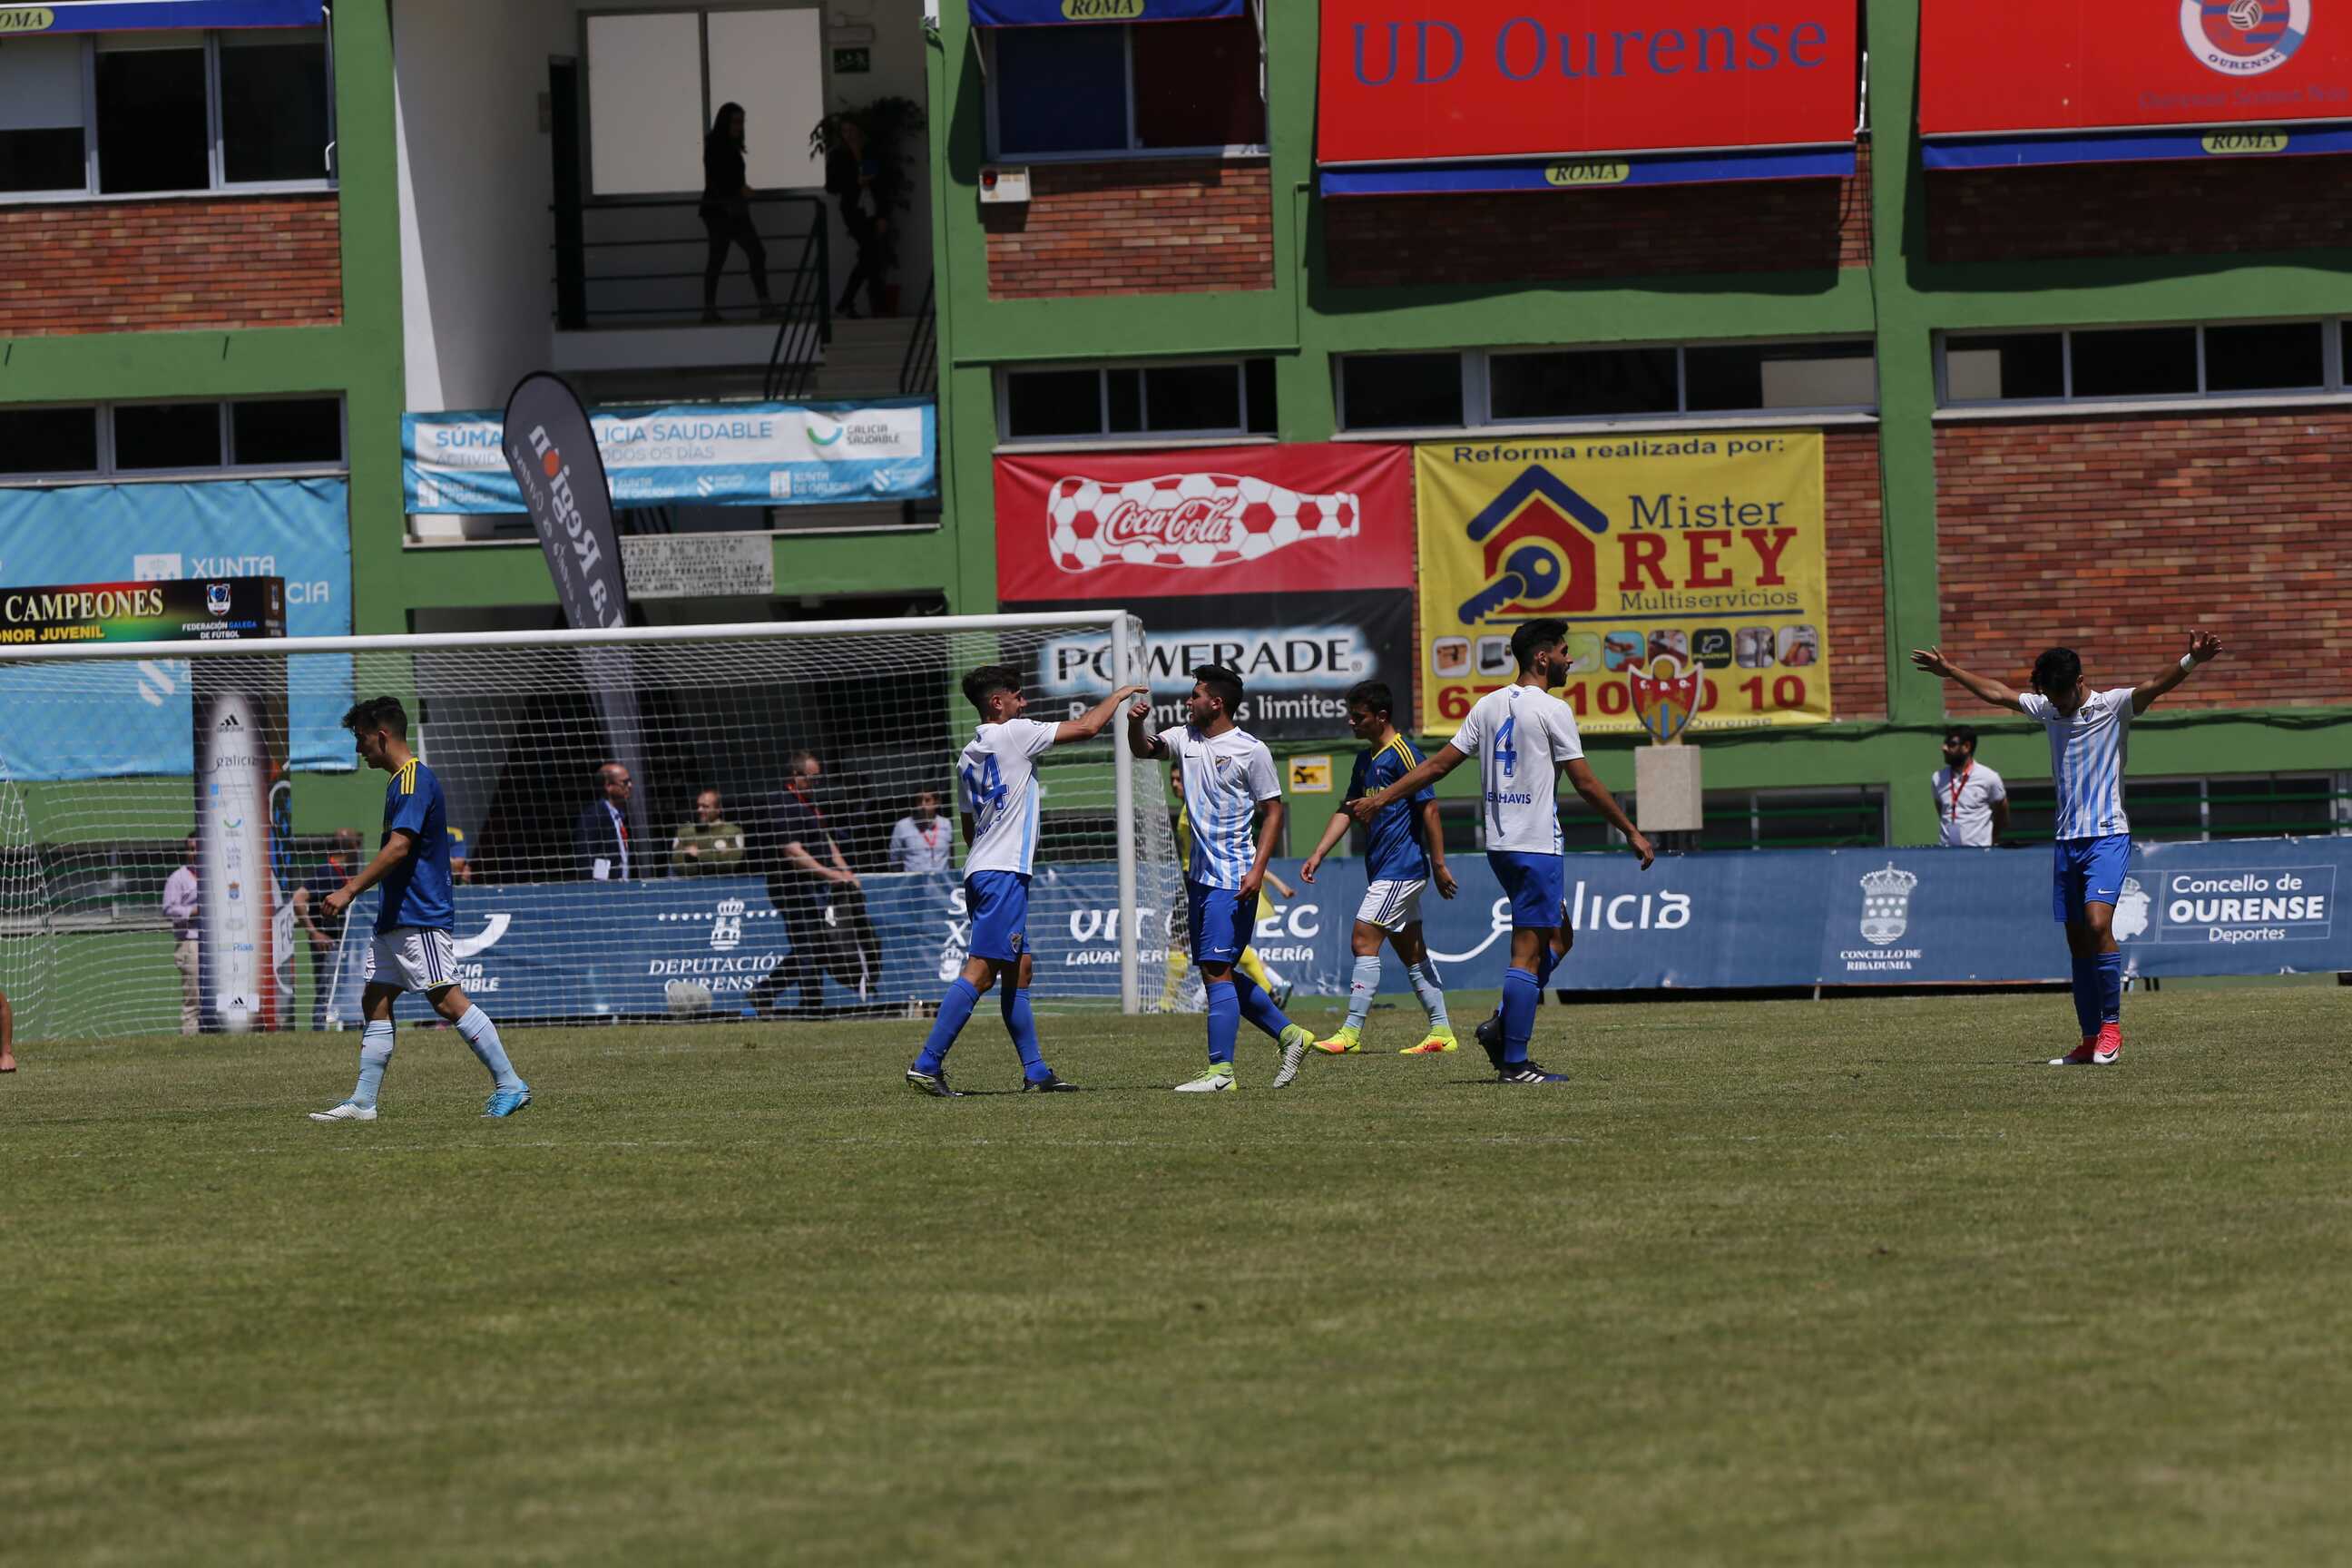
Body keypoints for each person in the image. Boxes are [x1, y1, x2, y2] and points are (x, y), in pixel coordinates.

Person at [1351, 620, 1654, 1084]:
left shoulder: (1488, 705)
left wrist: (1383, 798)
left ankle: (1503, 1023)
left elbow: (1439, 765)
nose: (1570, 659)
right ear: (1542, 658)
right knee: (1527, 953)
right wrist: (1630, 830)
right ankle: (1514, 1061)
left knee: (1560, 938)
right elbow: (1586, 782)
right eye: (1564, 652)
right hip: (1536, 846)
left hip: (1501, 847)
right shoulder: (1553, 709)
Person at [1912, 631, 2223, 1066]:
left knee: (2098, 925)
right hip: (2066, 842)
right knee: (2077, 943)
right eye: (2049, 697)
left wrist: (2191, 661)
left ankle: (2111, 1027)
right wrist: (1950, 671)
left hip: (2107, 837)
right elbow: (1999, 694)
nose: (2054, 704)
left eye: (2059, 696)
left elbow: (2155, 685)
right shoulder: (2048, 708)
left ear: (2080, 681)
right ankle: (2089, 1037)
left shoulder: (2112, 706)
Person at [906, 668, 1146, 1096]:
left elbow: (969, 828)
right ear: (998, 702)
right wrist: (1119, 695)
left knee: (1021, 969)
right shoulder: (1015, 733)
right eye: (1018, 697)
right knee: (981, 972)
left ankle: (1036, 1072)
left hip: (983, 869)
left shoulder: (967, 755)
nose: (1025, 703)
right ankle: (926, 1064)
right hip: (1002, 874)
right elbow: (1088, 727)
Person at [309, 697, 531, 1122]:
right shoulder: (399, 781)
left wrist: (349, 889)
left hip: (419, 914)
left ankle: (511, 1084)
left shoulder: (413, 780)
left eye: (360, 739)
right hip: (396, 914)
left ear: (382, 736)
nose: (358, 749)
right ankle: (363, 1102)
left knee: (447, 1001)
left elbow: (400, 847)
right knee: (375, 998)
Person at [1127, 664, 1316, 1093]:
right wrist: (1135, 726)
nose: (1187, 701)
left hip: (1233, 877)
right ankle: (1290, 1034)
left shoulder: (1252, 750)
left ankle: (1221, 1073)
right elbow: (1144, 749)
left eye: (1195, 695)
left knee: (1215, 969)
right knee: (1218, 970)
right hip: (1200, 879)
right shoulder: (1184, 737)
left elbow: (1274, 812)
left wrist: (1258, 870)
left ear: (1216, 703)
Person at [1299, 680, 1460, 1057]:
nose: (1351, 722)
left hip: (1402, 869)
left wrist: (1439, 864)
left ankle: (1350, 1033)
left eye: (1359, 717)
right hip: (1385, 869)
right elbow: (1347, 809)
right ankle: (1442, 1032)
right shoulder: (1364, 760)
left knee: (1362, 939)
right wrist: (1319, 853)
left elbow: (1430, 808)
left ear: (1381, 716)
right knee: (1412, 951)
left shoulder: (1404, 754)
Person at [1161, 759, 1295, 1009]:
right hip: (1196, 880)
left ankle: (1166, 1004)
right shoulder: (1189, 807)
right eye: (1173, 780)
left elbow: (1236, 853)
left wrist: (1275, 882)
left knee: (1203, 944)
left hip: (1202, 880)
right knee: (1216, 945)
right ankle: (1268, 990)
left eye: (1180, 779)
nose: (1176, 784)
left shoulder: (1200, 808)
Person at [744, 750, 858, 1017]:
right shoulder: (782, 804)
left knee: (814, 944)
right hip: (791, 888)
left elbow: (826, 841)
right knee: (808, 945)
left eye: (819, 778)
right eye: (812, 778)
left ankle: (765, 992)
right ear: (796, 776)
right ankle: (810, 1006)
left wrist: (846, 871)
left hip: (814, 888)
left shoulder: (809, 804)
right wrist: (833, 875)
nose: (817, 783)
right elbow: (793, 852)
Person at [699, 102, 770, 323]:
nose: (740, 126)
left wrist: (740, 189)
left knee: (730, 256)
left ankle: (713, 308)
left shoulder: (724, 145)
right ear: (726, 122)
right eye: (736, 122)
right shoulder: (717, 145)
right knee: (725, 257)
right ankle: (761, 305)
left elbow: (722, 176)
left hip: (728, 208)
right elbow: (717, 177)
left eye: (741, 122)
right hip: (722, 209)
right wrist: (740, 189)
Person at [292, 828, 364, 1031]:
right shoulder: (326, 871)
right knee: (327, 992)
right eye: (357, 844)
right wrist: (313, 932)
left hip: (346, 944)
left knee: (350, 991)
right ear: (353, 847)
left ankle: (351, 1030)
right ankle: (320, 1032)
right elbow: (298, 899)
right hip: (329, 944)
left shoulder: (347, 873)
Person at [824, 116, 888, 319]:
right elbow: (831, 186)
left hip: (871, 207)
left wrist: (882, 215)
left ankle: (851, 303)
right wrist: (855, 182)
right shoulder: (837, 155)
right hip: (853, 210)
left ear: (859, 130)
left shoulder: (870, 151)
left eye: (852, 130)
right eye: (845, 131)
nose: (849, 135)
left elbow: (882, 185)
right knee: (870, 253)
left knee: (870, 256)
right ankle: (852, 303)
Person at [1931, 725, 2009, 849]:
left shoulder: (1989, 777)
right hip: (1947, 853)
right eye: (1945, 743)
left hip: (1979, 853)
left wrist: (1992, 840)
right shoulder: (1938, 778)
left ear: (1966, 747)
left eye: (1951, 744)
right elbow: (1942, 811)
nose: (1944, 748)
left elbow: (2002, 812)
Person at [162, 835, 200, 1036]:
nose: (196, 853)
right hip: (190, 942)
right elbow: (168, 909)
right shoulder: (177, 878)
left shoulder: (218, 876)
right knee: (194, 997)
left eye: (199, 848)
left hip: (217, 942)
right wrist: (193, 911)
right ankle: (190, 1038)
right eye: (191, 849)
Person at [575, 761, 635, 881]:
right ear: (608, 786)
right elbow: (586, 859)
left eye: (630, 781)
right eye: (625, 782)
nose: (630, 785)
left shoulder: (621, 816)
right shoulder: (593, 816)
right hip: (606, 887)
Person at [671, 788, 746, 877]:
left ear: (718, 809)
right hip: (691, 883)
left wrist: (698, 855)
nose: (699, 810)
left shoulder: (734, 832)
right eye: (698, 806)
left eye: (705, 806)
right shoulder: (683, 832)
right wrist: (717, 858)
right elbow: (678, 865)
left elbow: (730, 865)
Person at [888, 789, 952, 874]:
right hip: (913, 881)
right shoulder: (902, 826)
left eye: (927, 800)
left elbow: (951, 856)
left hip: (941, 881)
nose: (923, 805)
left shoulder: (946, 824)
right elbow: (894, 860)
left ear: (936, 802)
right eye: (919, 800)